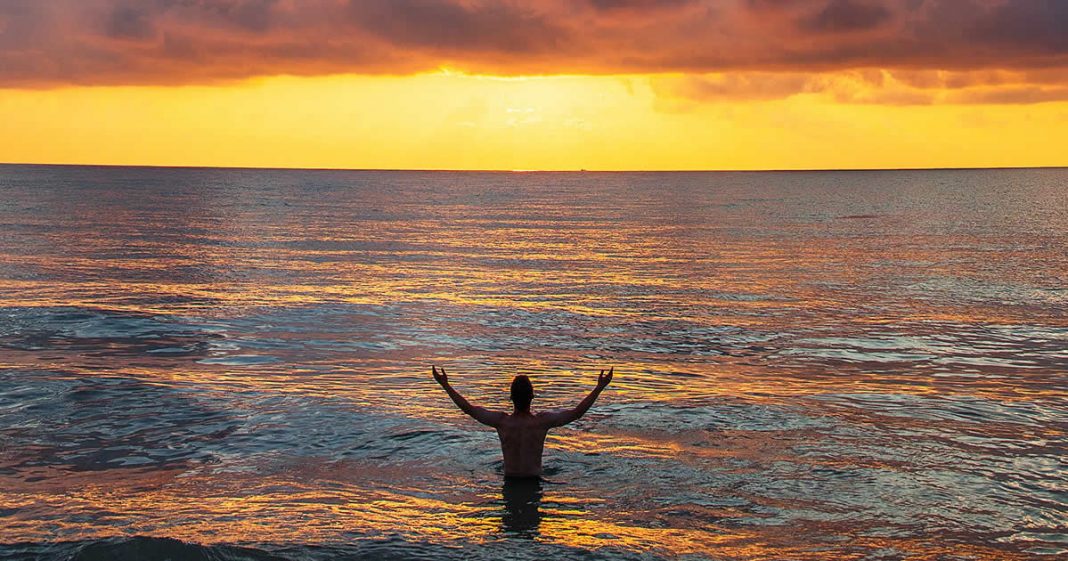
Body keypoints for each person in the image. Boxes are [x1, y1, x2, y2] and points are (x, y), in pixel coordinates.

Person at [432, 366, 614, 478]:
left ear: (511, 398)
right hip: (535, 481)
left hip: (509, 480)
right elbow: (577, 413)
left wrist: (445, 385)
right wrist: (599, 387)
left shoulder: (502, 422)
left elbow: (469, 409)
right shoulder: (541, 423)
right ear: (532, 397)